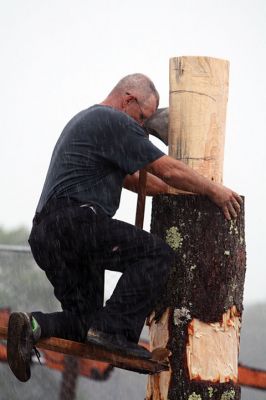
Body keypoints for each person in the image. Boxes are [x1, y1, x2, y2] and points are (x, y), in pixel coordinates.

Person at [7, 73, 242, 382]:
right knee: (156, 255)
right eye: (142, 117)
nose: (141, 127)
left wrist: (181, 187)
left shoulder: (89, 122)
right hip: (74, 222)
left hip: (48, 236)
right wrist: (213, 190)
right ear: (129, 99)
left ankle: (32, 325)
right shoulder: (113, 120)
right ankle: (114, 329)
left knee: (84, 322)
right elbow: (168, 170)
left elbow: (147, 181)